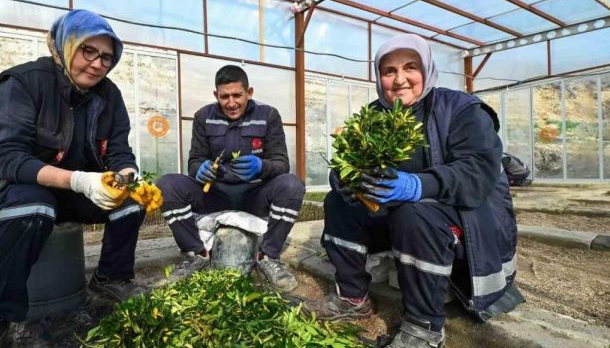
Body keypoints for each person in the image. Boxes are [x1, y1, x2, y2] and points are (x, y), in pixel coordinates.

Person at [304, 34, 523, 348]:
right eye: (389, 70)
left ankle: (423, 329)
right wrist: (345, 181)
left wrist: (417, 185)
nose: (399, 79)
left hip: (467, 225)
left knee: (413, 210)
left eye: (410, 67)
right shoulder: (374, 116)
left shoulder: (461, 109)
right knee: (338, 202)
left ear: (427, 69)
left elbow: (478, 170)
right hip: (405, 224)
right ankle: (352, 298)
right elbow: (347, 162)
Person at [0, 10, 159, 347]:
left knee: (132, 201)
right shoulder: (24, 82)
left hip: (71, 189)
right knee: (34, 207)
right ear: (65, 46)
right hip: (12, 187)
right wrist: (81, 181)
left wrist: (129, 178)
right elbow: (9, 159)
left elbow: (120, 151)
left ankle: (112, 277)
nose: (97, 64)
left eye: (107, 57)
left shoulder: (110, 96)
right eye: (88, 51)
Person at [156, 65, 305, 291]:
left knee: (293, 185)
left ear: (249, 92)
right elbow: (194, 161)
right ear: (216, 95)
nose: (231, 102)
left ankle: (269, 257)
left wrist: (261, 167)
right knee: (167, 185)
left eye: (237, 95)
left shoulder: (268, 116)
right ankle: (195, 253)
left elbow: (281, 164)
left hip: (254, 196)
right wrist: (199, 170)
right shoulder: (203, 117)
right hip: (214, 195)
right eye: (224, 96)